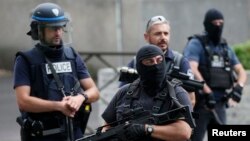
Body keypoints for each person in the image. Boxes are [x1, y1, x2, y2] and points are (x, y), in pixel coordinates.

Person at [13, 2, 100, 141]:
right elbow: (23, 101)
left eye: (60, 27)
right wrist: (59, 106)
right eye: (53, 28)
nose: (58, 33)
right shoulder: (25, 60)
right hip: (42, 135)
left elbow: (94, 92)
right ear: (39, 30)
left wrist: (80, 98)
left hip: (73, 133)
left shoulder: (72, 54)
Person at [102, 45, 194, 141]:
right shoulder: (124, 92)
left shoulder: (177, 93)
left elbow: (185, 132)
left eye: (159, 60)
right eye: (149, 62)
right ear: (140, 66)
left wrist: (147, 129)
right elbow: (106, 127)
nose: (156, 66)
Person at [183, 8, 247, 141]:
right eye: (214, 23)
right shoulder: (196, 43)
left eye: (220, 23)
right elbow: (192, 68)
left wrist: (239, 87)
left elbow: (240, 71)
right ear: (207, 24)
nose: (218, 26)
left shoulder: (225, 48)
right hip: (201, 103)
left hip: (219, 104)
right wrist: (207, 91)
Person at [120, 15, 196, 107]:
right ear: (146, 37)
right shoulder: (137, 62)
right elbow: (122, 96)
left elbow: (191, 100)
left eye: (166, 33)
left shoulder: (180, 61)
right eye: (158, 34)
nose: (163, 37)